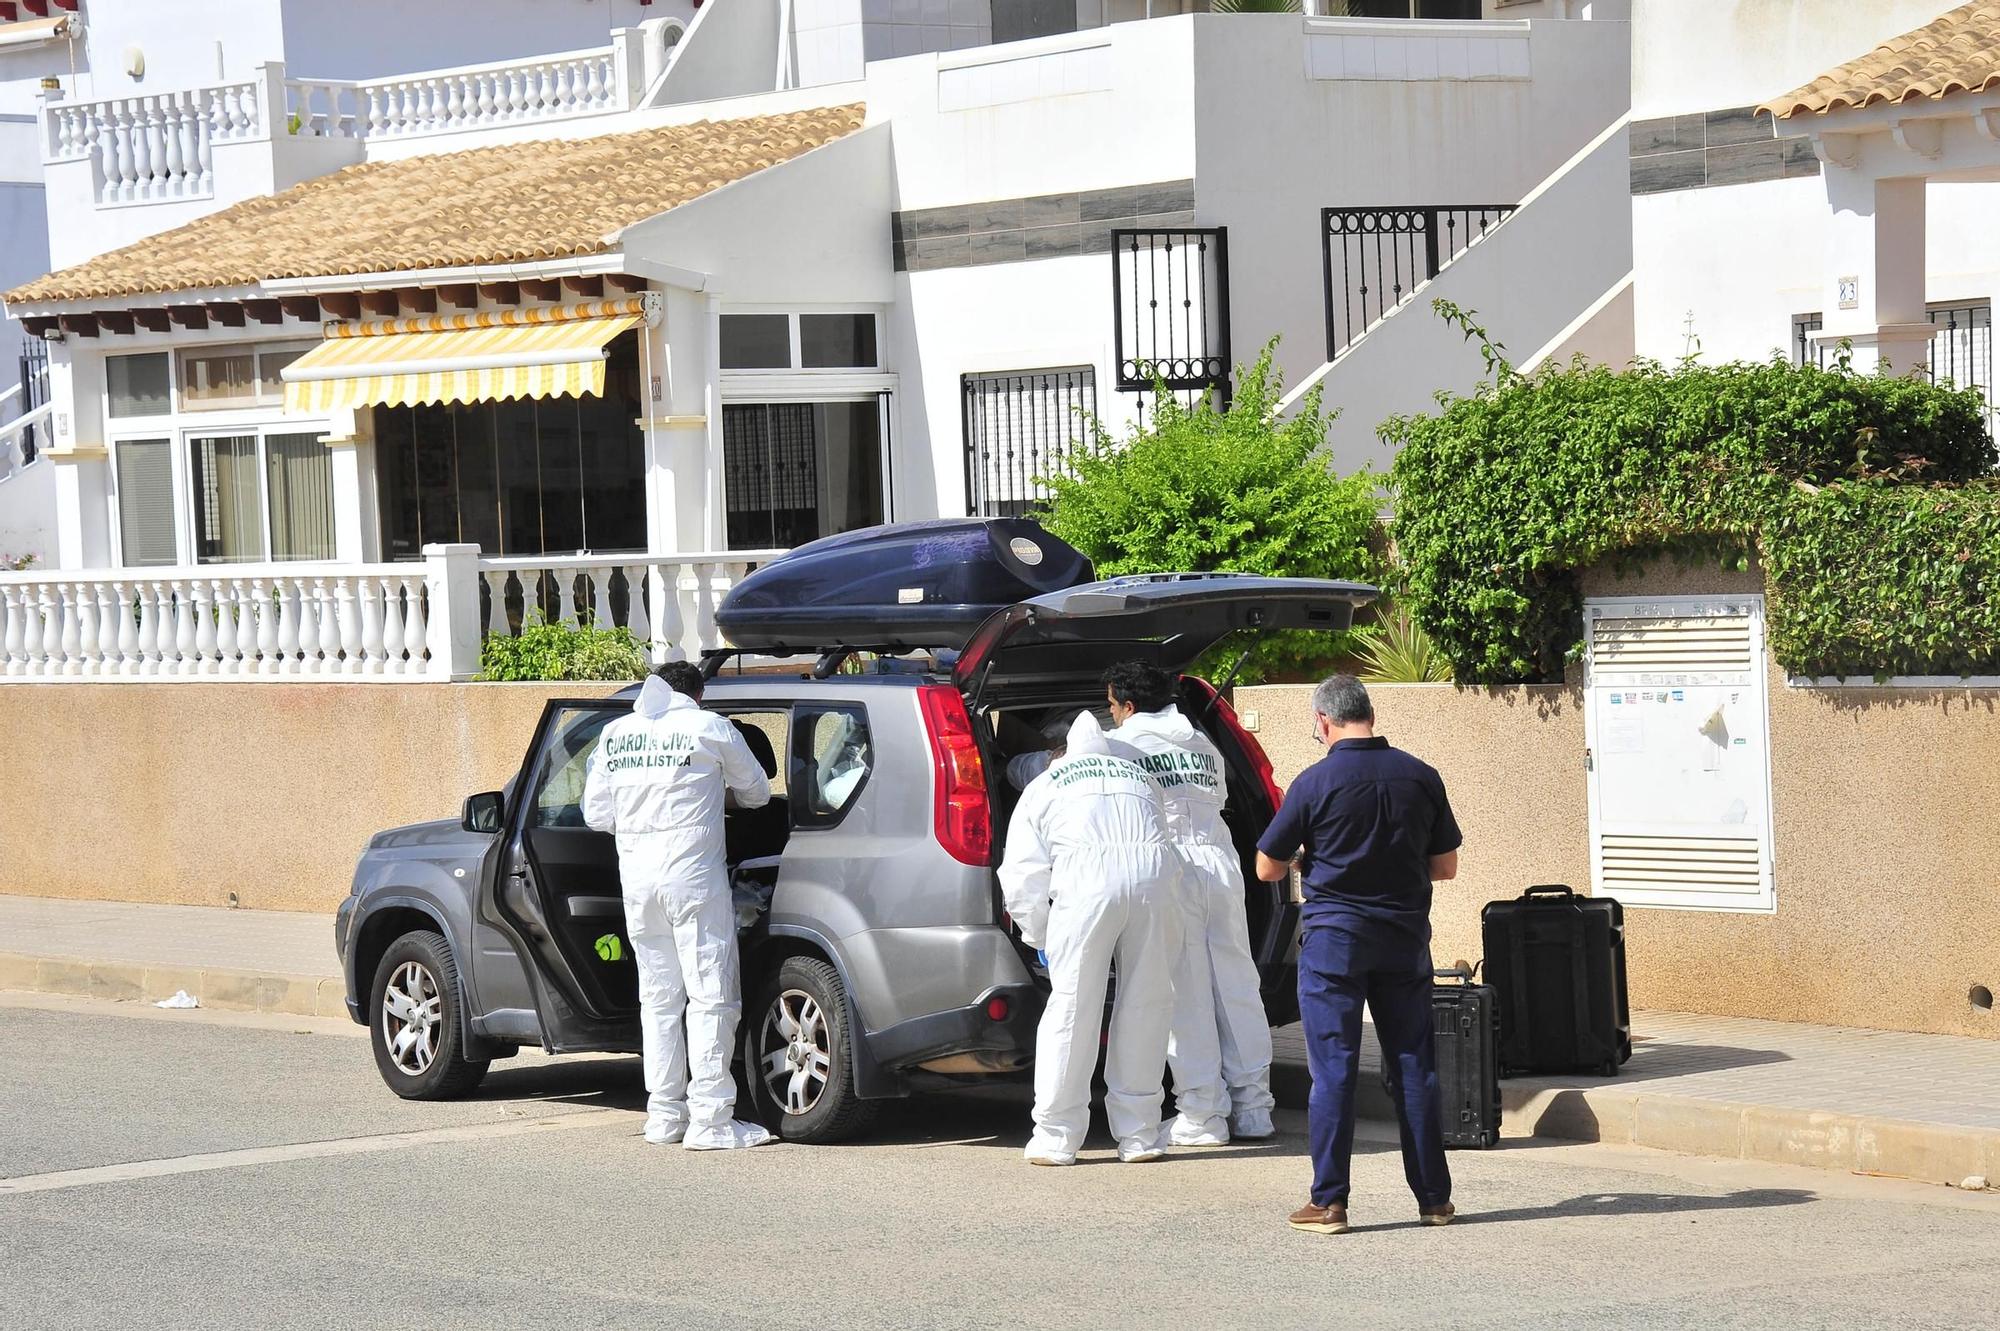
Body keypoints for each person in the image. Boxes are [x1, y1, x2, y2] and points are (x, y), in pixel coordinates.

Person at [1255, 675, 1460, 1234]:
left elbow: (1266, 866)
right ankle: (1434, 1199)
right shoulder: (1420, 776)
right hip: (1403, 939)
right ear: (1368, 712)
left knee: (1335, 1068)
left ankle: (1330, 1202)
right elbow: (1446, 867)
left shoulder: (1314, 782)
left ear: (1323, 720)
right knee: (1414, 1065)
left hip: (1334, 945)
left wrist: (1306, 858)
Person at [583, 660, 778, 1151]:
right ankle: (710, 1121)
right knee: (711, 994)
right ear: (697, 693)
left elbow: (596, 814)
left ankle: (664, 1116)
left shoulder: (615, 733)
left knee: (659, 999)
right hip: (692, 879)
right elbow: (757, 794)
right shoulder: (709, 726)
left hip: (637, 882)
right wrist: (715, 793)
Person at [1102, 660, 1275, 1147]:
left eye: (1112, 706)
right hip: (1221, 865)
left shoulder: (1121, 746)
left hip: (1172, 866)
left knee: (1186, 990)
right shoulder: (1204, 744)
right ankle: (1254, 1107)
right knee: (1237, 983)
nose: (1111, 715)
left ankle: (1202, 1114)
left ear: (1128, 706)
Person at [999, 711, 1183, 1166]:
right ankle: (1139, 1135)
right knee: (1146, 1004)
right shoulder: (1137, 775)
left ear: (1055, 753)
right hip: (1154, 886)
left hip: (1085, 890)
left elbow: (1021, 874)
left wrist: (1038, 933)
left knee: (1072, 1008)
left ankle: (1056, 1138)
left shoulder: (1047, 784)